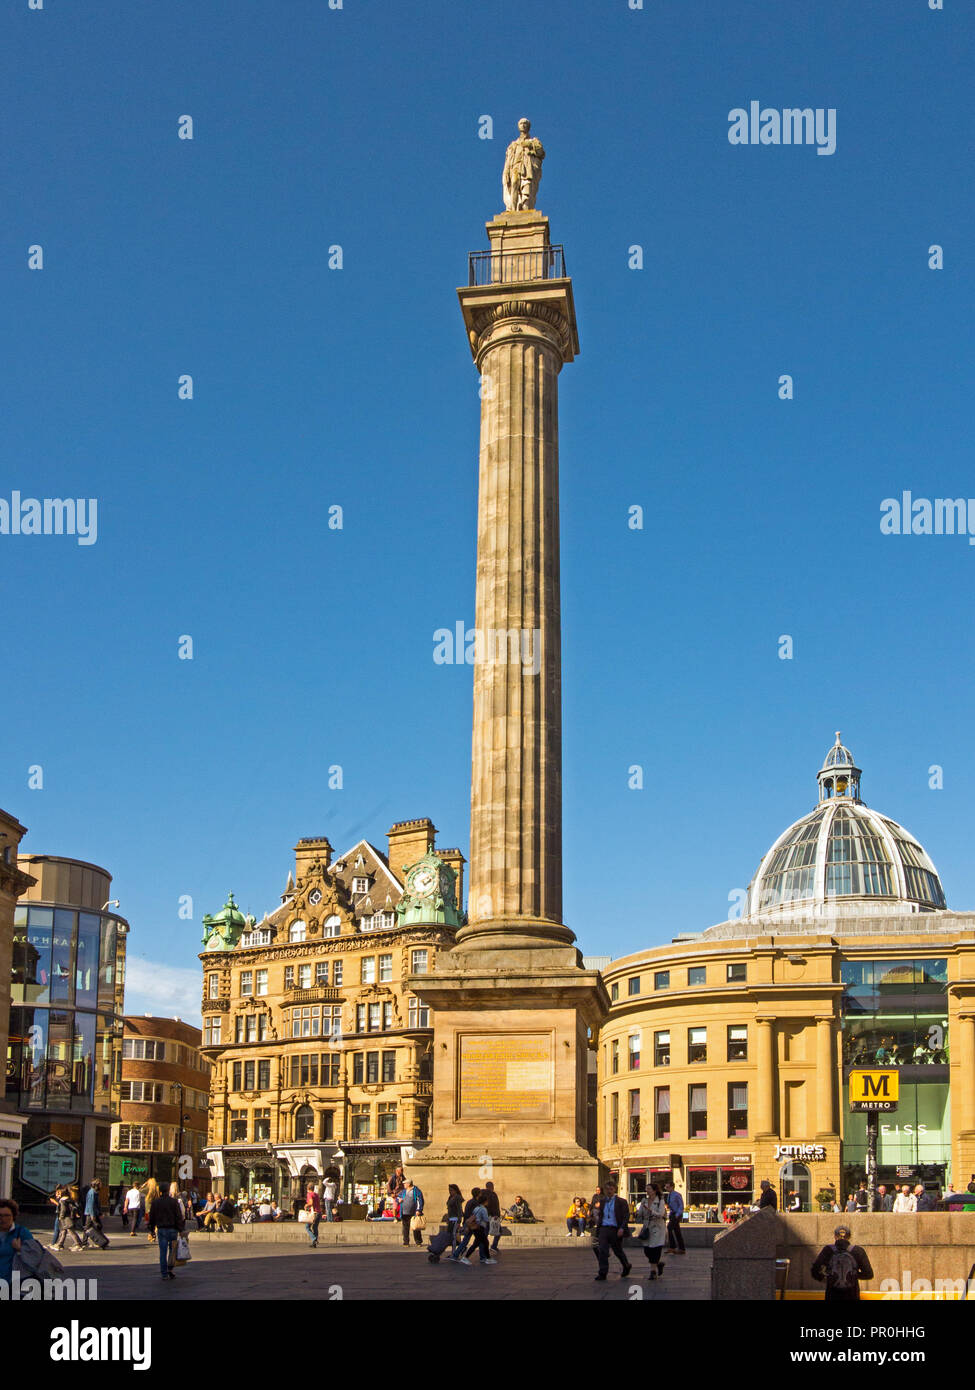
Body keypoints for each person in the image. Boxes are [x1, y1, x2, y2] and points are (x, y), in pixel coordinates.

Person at [811, 1225, 874, 1301]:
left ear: (835, 1236)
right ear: (849, 1237)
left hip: (832, 1295)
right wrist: (853, 1275)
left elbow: (815, 1271)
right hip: (852, 1295)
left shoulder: (828, 1250)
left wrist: (828, 1277)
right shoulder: (858, 1251)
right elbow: (869, 1274)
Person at [590, 1181, 631, 1281]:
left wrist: (622, 1228)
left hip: (615, 1229)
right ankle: (603, 1273)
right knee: (603, 1251)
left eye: (611, 1189)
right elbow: (601, 1215)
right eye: (607, 1189)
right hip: (604, 1228)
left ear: (614, 1190)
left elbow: (626, 1216)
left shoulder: (621, 1201)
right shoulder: (603, 1201)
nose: (609, 1191)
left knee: (618, 1251)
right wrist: (598, 1229)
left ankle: (626, 1265)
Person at [147, 1183, 185, 1281]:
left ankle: (164, 1273)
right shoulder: (174, 1202)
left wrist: (151, 1230)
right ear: (168, 1191)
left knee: (163, 1252)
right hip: (173, 1229)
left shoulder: (156, 1202)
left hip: (161, 1229)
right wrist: (180, 1229)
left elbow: (152, 1217)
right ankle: (170, 1269)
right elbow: (178, 1216)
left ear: (160, 1191)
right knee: (172, 1251)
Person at [635, 1183, 668, 1281]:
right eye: (646, 1189)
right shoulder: (644, 1200)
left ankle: (653, 1272)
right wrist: (638, 1214)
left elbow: (661, 1214)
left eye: (649, 1189)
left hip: (658, 1227)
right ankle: (658, 1264)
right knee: (647, 1250)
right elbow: (640, 1212)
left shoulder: (660, 1201)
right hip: (647, 1227)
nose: (647, 1191)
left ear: (654, 1190)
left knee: (655, 1249)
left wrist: (651, 1211)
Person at [454, 1192, 495, 1266]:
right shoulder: (483, 1209)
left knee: (481, 1243)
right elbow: (486, 1219)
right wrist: (492, 1218)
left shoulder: (477, 1208)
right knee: (480, 1243)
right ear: (485, 1201)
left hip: (475, 1228)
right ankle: (466, 1258)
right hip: (479, 1227)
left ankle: (488, 1258)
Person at [0, 1199, 32, 1285]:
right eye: (0, 1215)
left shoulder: (22, 1233)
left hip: (13, 1284)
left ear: (13, 1216)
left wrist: (20, 1249)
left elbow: (35, 1257)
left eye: (7, 1216)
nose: (3, 1219)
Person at [51, 1187, 84, 1251]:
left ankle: (78, 1244)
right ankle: (60, 1244)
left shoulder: (62, 1200)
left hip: (65, 1218)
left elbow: (63, 1210)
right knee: (64, 1231)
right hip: (70, 1217)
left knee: (70, 1231)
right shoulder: (69, 1199)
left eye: (59, 1193)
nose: (58, 1194)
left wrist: (61, 1216)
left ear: (62, 1193)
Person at [80, 1179, 109, 1249]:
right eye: (100, 1184)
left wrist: (99, 1213)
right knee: (88, 1228)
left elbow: (95, 1205)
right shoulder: (92, 1193)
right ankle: (85, 1242)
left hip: (94, 1213)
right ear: (97, 1185)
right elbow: (91, 1205)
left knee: (97, 1227)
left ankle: (100, 1241)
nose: (101, 1186)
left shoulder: (94, 1192)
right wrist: (92, 1215)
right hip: (91, 1214)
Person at [398, 1179, 425, 1248]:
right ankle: (406, 1242)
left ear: (409, 1184)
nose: (404, 1185)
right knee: (405, 1228)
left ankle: (418, 1242)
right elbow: (398, 1197)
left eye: (405, 1184)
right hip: (404, 1212)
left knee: (416, 1228)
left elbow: (420, 1200)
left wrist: (419, 1210)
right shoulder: (403, 1191)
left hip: (414, 1212)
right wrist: (399, 1200)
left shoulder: (416, 1191)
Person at [482, 1180, 503, 1254]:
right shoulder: (493, 1194)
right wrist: (497, 1215)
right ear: (492, 1187)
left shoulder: (481, 1194)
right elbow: (495, 1206)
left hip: (483, 1216)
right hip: (492, 1216)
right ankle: (493, 1246)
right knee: (499, 1231)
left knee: (485, 1232)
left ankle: (484, 1248)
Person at [664, 1181, 685, 1253]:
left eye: (668, 1187)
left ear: (672, 1187)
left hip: (676, 1214)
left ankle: (673, 1246)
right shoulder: (669, 1195)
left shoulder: (677, 1195)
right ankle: (681, 1248)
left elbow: (681, 1205)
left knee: (669, 1227)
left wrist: (677, 1214)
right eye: (666, 1187)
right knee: (677, 1231)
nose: (666, 1189)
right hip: (672, 1214)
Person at [445, 1184, 464, 1252]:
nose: (450, 1192)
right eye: (449, 1190)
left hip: (455, 1219)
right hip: (451, 1219)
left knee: (453, 1236)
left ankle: (455, 1252)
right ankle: (458, 1249)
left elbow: (459, 1210)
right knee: (451, 1236)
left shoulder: (457, 1198)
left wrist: (459, 1221)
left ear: (455, 1190)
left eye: (451, 1190)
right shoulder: (450, 1197)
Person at [142, 1178, 160, 1243]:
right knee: (154, 1223)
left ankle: (151, 1234)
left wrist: (144, 1184)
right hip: (156, 1209)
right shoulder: (157, 1189)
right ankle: (153, 1233)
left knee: (149, 1223)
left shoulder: (147, 1190)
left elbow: (139, 1190)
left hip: (148, 1210)